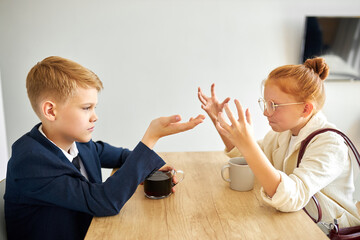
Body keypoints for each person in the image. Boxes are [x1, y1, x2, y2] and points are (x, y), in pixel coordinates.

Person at [4, 56, 205, 240]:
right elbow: (104, 201)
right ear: (50, 110)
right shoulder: (30, 161)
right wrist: (151, 137)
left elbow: (121, 156)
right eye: (86, 108)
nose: (95, 116)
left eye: (95, 107)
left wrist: (148, 167)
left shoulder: (78, 142)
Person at [198, 57, 360, 230]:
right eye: (265, 104)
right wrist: (218, 119)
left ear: (306, 109)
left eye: (274, 105)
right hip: (297, 222)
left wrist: (248, 145)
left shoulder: (330, 144)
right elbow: (247, 159)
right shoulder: (284, 134)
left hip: (326, 231)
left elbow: (292, 197)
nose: (266, 113)